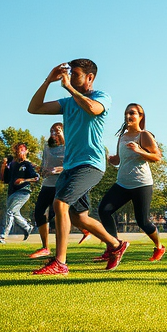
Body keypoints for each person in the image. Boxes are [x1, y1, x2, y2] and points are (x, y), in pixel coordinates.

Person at [28, 59, 129, 275]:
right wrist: (48, 80)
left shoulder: (101, 97)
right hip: (70, 166)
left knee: (60, 204)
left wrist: (69, 88)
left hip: (90, 164)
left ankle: (60, 263)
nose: (70, 77)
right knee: (79, 217)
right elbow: (34, 108)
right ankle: (115, 245)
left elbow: (93, 109)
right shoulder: (67, 102)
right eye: (70, 74)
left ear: (90, 77)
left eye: (75, 74)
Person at [97, 104, 165, 262]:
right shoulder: (122, 136)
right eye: (126, 113)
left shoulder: (144, 135)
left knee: (143, 221)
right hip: (122, 183)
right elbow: (118, 160)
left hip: (141, 183)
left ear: (140, 116)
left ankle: (159, 247)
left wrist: (139, 150)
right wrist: (107, 157)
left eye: (132, 113)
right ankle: (114, 247)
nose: (128, 116)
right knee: (104, 210)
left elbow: (157, 157)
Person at [29, 123, 65, 258]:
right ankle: (45, 247)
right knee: (39, 213)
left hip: (63, 184)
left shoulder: (69, 146)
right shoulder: (47, 147)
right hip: (48, 184)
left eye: (57, 130)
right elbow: (44, 164)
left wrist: (58, 170)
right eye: (51, 131)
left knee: (63, 216)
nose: (54, 133)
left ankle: (61, 250)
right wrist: (41, 170)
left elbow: (73, 165)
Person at [0, 143, 39, 243]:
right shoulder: (11, 164)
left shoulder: (27, 164)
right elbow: (3, 179)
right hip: (11, 192)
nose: (19, 152)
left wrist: (23, 180)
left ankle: (4, 236)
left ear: (26, 151)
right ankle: (27, 227)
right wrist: (3, 166)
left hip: (23, 191)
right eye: (17, 150)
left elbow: (36, 178)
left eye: (22, 150)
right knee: (14, 212)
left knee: (10, 212)